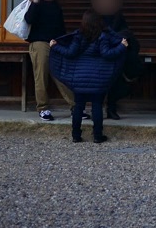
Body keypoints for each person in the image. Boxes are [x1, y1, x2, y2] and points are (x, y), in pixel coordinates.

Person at [49, 10, 128, 144]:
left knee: (78, 107)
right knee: (97, 106)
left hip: (79, 79)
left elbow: (70, 53)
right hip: (98, 79)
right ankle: (97, 136)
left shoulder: (78, 36)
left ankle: (76, 135)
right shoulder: (103, 36)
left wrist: (55, 47)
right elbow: (108, 54)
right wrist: (122, 46)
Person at [26, 0, 70, 122]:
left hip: (55, 44)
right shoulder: (37, 1)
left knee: (62, 75)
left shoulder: (55, 3)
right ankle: (43, 108)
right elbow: (28, 19)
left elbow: (61, 26)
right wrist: (35, 3)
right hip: (39, 43)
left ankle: (76, 106)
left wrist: (63, 42)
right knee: (41, 76)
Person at [92, 0, 140, 120]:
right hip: (100, 52)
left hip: (115, 52)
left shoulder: (118, 15)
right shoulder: (94, 14)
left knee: (115, 83)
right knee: (99, 84)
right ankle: (99, 110)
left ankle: (111, 108)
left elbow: (125, 32)